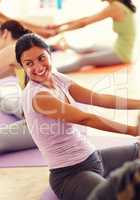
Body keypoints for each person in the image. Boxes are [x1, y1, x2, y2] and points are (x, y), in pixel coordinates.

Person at [0, 21, 140, 183]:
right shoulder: (30, 50)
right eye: (30, 64)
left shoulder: (13, 52)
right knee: (9, 101)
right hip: (48, 108)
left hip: (51, 118)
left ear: (5, 34)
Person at [15, 33, 140, 200]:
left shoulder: (57, 78)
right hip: (70, 175)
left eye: (41, 58)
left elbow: (98, 98)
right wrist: (133, 130)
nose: (38, 67)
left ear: (49, 54)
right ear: (22, 67)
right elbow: (85, 118)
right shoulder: (39, 97)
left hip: (93, 158)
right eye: (29, 63)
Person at [49, 0, 136, 73]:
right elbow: (85, 19)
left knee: (84, 60)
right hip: (118, 48)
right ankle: (65, 47)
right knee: (92, 47)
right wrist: (58, 26)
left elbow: (84, 22)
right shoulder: (119, 4)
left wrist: (58, 31)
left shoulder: (115, 7)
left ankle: (51, 72)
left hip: (122, 54)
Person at [0, 0, 57, 68]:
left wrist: (43, 28)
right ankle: (53, 47)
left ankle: (51, 47)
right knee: (14, 57)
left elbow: (16, 22)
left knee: (17, 49)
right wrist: (41, 32)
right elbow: (13, 26)